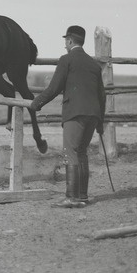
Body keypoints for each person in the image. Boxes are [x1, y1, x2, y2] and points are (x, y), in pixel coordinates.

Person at [30, 25, 106, 208]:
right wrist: (100, 123)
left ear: (70, 41)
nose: (65, 45)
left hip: (75, 113)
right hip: (93, 114)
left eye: (66, 41)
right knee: (81, 153)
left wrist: (36, 104)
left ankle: (71, 198)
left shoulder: (66, 59)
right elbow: (102, 96)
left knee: (70, 152)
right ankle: (82, 196)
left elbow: (54, 88)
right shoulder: (94, 65)